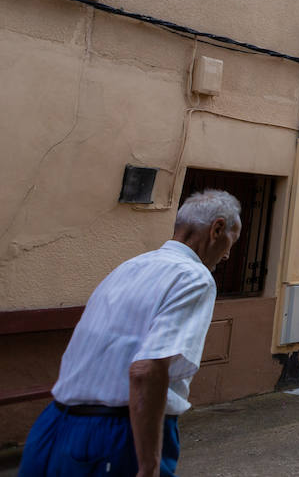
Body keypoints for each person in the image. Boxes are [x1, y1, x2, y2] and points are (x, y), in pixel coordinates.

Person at [20, 190, 240, 477]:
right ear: (217, 229)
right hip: (117, 431)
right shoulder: (194, 277)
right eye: (230, 242)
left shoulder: (128, 267)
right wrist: (148, 464)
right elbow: (146, 370)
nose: (227, 254)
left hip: (54, 424)